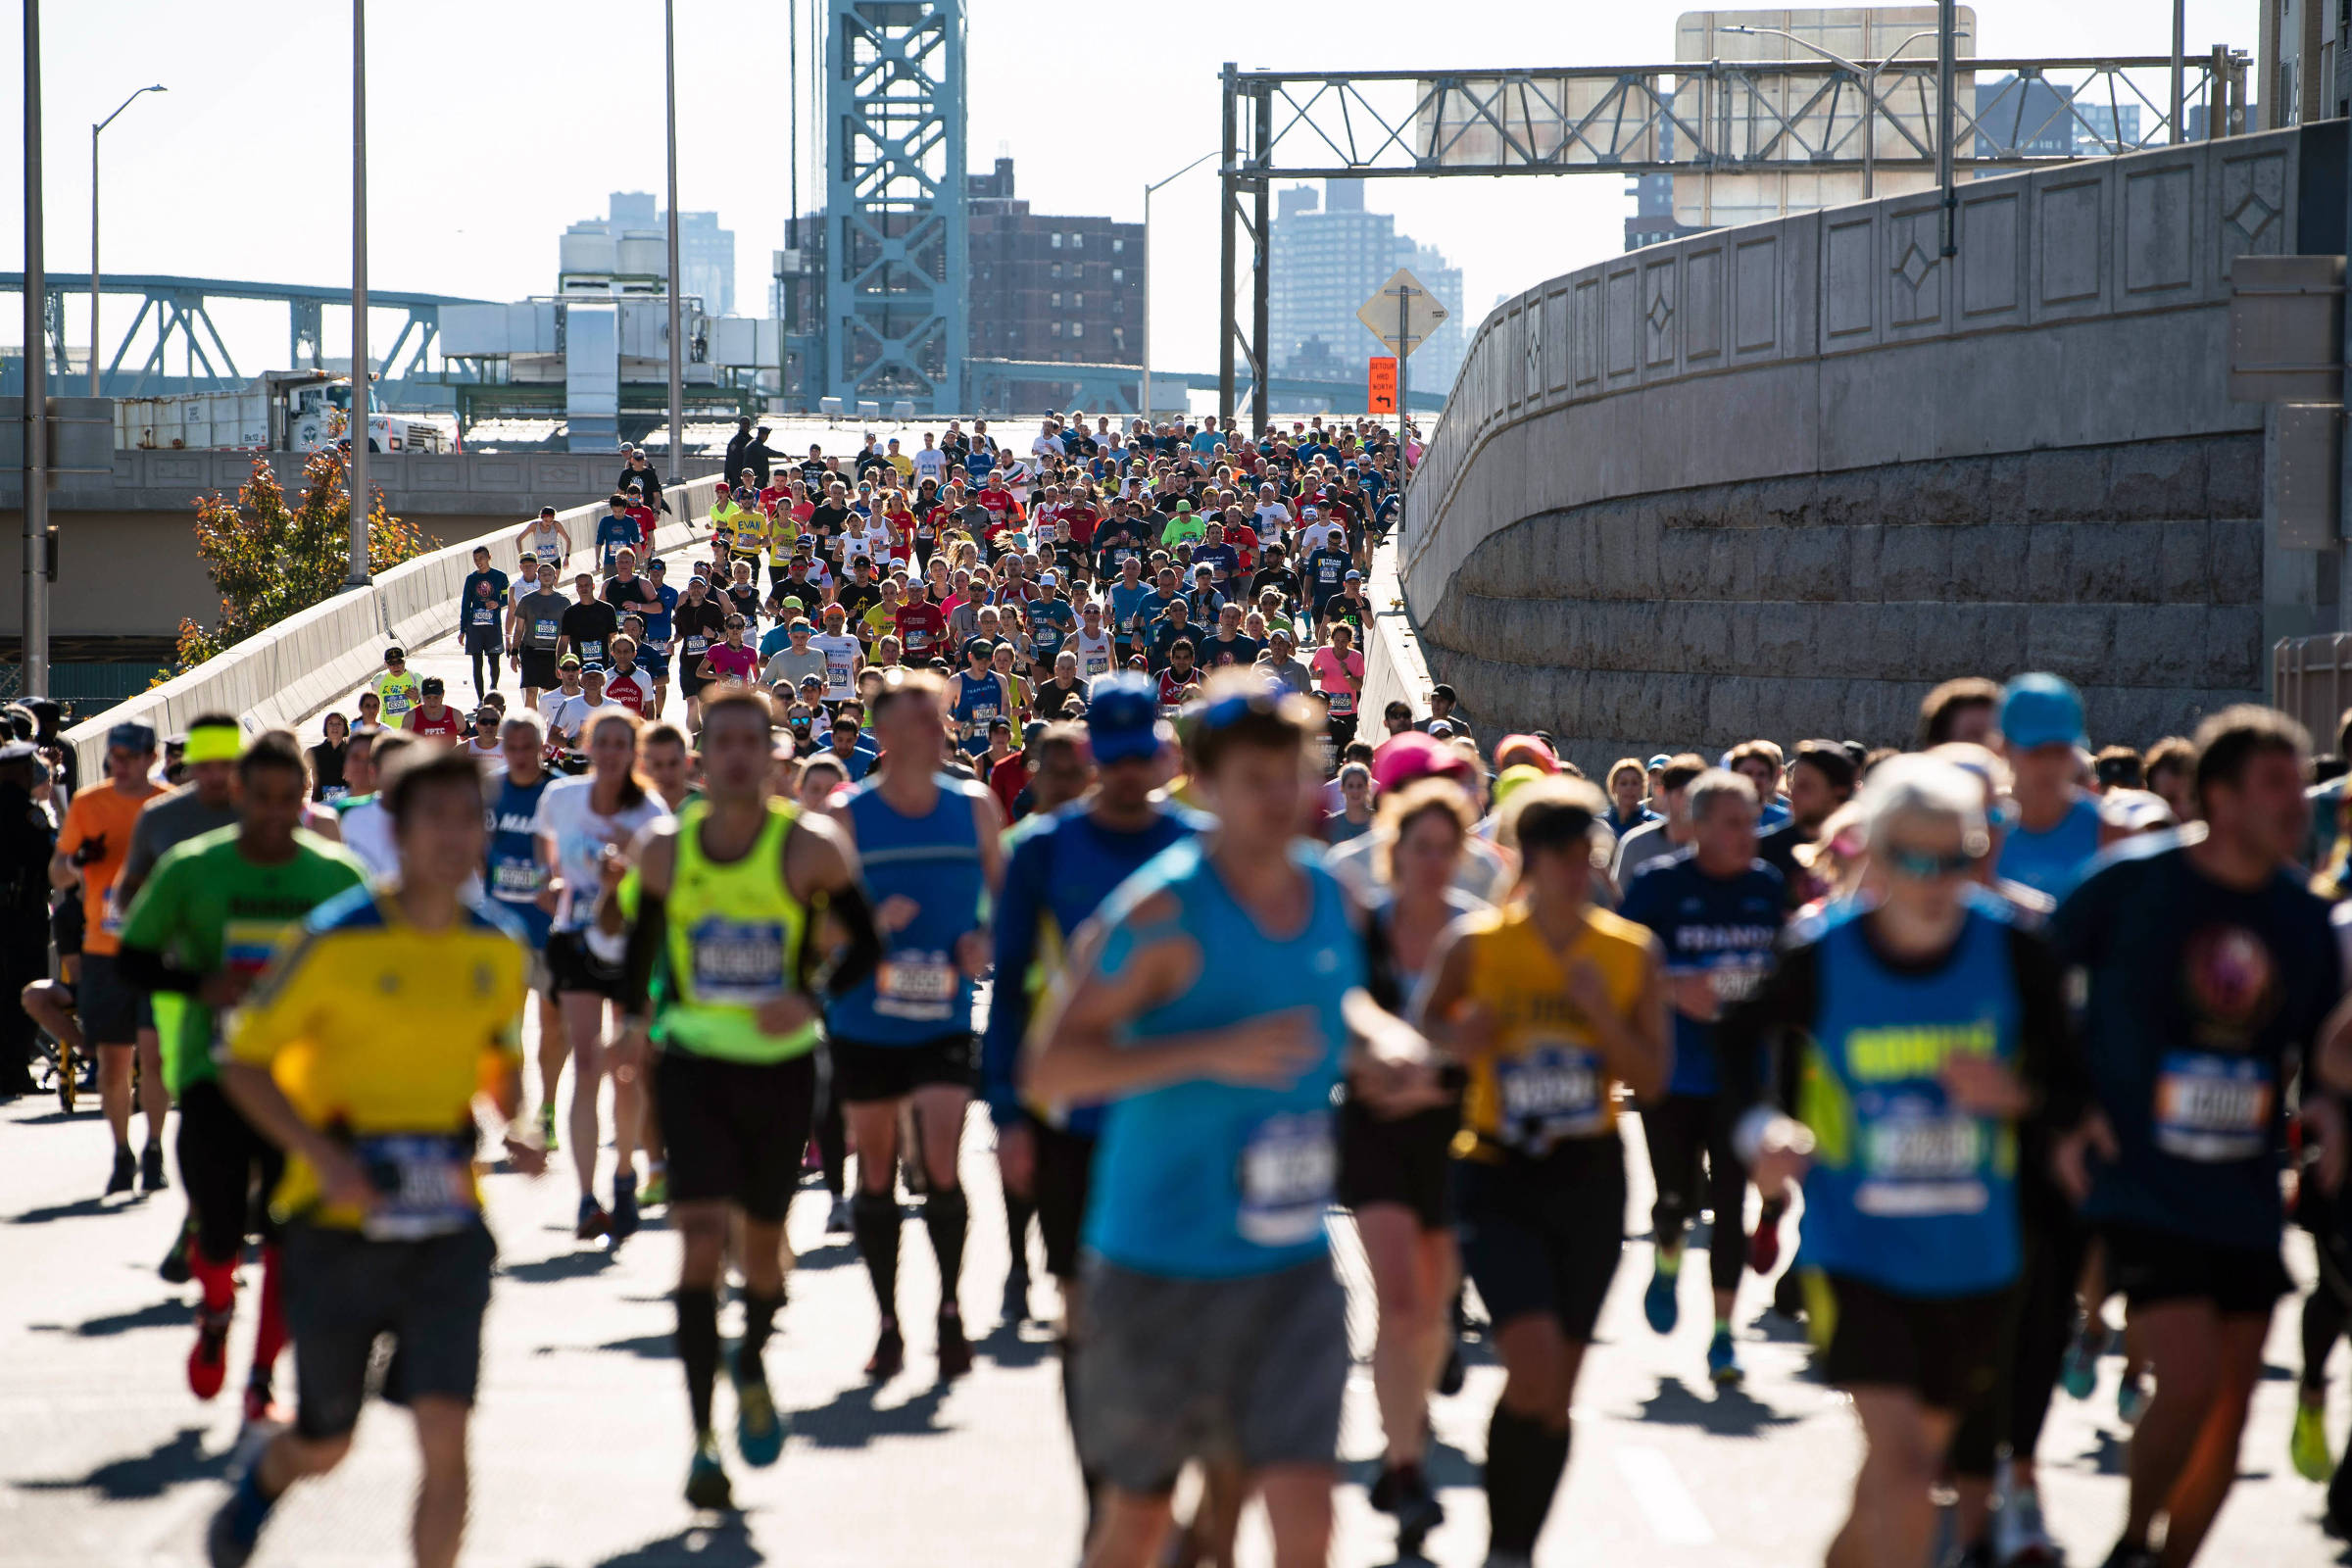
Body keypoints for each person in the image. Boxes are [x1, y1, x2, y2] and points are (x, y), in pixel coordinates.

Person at [1024, 671, 1432, 1568]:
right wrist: (1206, 1052)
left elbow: (1335, 1003)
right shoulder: (1161, 909)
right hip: (1158, 1265)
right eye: (1254, 778)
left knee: (1307, 1520)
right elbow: (1050, 1065)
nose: (1279, 795)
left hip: (1288, 1265)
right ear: (1202, 787)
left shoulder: (1326, 893)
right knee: (1137, 1523)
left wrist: (1383, 1044)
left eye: (1293, 772)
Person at [1723, 755, 2081, 1568]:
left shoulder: (2018, 950)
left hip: (1976, 1260)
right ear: (1875, 854)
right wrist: (1759, 1134)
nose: (1932, 878)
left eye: (1952, 858)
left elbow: (2079, 1081)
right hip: (1859, 1253)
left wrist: (2015, 1096)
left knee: (1899, 1475)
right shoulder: (1822, 952)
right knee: (1915, 1478)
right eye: (1912, 858)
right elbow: (1736, 1039)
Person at [205, 745, 539, 1568]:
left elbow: (500, 1064)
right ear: (397, 827)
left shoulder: (497, 948)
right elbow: (241, 1062)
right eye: (437, 818)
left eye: (471, 818)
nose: (456, 836)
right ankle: (265, 1479)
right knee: (328, 1442)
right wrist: (322, 1156)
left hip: (449, 1229)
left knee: (446, 1438)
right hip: (336, 1228)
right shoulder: (334, 941)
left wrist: (518, 1122)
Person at [2051, 707, 2343, 1568]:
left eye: (2300, 780)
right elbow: (2035, 988)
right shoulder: (2129, 885)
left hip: (2245, 1188)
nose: (2299, 802)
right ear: (2218, 797)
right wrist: (2068, 1107)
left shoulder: (2300, 916)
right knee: (2185, 1382)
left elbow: (2322, 1041)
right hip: (2139, 1177)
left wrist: (2324, 1103)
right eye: (2276, 784)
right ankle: (2135, 1543)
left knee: (2232, 1405)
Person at [608, 689, 883, 1507]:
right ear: (701, 756)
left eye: (748, 743)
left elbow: (866, 946)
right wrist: (632, 1021)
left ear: (770, 758)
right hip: (693, 1065)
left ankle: (752, 1357)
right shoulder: (665, 850)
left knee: (762, 1257)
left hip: (782, 1070)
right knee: (696, 1247)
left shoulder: (811, 849)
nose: (732, 756)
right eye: (718, 742)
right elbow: (637, 955)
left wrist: (813, 997)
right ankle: (701, 1441)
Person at [1416, 776, 1670, 1568]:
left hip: (1589, 1178)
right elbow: (1426, 1023)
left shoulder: (1627, 953)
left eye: (1586, 854)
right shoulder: (1480, 944)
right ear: (1531, 859)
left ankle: (1517, 1547)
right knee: (1527, 1364)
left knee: (1556, 1392)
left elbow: (1654, 1080)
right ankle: (1502, 1546)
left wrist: (1597, 1014)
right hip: (1498, 1173)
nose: (1577, 868)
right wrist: (1465, 1038)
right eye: (1562, 855)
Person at [117, 730, 368, 1426]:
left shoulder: (337, 878)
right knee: (220, 1226)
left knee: (291, 1235)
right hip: (215, 1073)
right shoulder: (193, 869)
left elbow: (373, 976)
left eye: (290, 800)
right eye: (261, 799)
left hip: (305, 1085)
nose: (275, 813)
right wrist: (201, 983)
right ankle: (218, 1307)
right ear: (238, 797)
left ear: (305, 799)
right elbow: (132, 960)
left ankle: (262, 1379)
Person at [824, 669, 1005, 1380]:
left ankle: (952, 1311)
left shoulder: (976, 806)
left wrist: (983, 941)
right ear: (886, 733)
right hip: (866, 1016)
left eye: (939, 720)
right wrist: (867, 927)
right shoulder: (847, 815)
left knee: (940, 1162)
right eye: (920, 722)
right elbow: (819, 921)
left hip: (943, 1015)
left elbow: (1001, 898)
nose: (937, 731)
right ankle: (889, 1321)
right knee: (874, 1170)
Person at [1339, 778, 1486, 1550]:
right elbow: (1339, 1021)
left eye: (1444, 848)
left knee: (1432, 1309)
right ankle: (1406, 1471)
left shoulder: (1478, 934)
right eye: (1417, 847)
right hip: (1374, 1134)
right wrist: (1371, 1068)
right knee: (1398, 1303)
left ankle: (1410, 1420)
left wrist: (1429, 1073)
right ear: (1394, 851)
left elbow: (1492, 1035)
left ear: (1462, 854)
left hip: (1457, 1136)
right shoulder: (1366, 930)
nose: (1431, 862)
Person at [1619, 769, 1786, 1388]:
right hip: (1672, 1071)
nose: (1750, 834)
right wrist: (1670, 987)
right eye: (1735, 824)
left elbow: (1783, 968)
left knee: (1731, 1203)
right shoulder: (1662, 885)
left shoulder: (1767, 887)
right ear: (1699, 827)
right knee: (1675, 1200)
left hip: (1742, 1076)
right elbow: (1623, 962)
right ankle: (1665, 1260)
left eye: (1755, 820)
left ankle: (1722, 1337)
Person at [536, 709, 668, 1243]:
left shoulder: (650, 812)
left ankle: (624, 1176)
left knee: (628, 1067)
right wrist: (551, 886)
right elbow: (548, 861)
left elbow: (661, 887)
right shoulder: (562, 799)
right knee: (586, 1061)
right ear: (588, 744)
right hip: (574, 938)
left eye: (622, 743)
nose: (611, 752)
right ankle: (588, 1197)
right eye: (603, 742)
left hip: (632, 945)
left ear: (633, 751)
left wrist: (628, 874)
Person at [53, 720, 168, 1196]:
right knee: (115, 1063)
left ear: (150, 757)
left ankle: (155, 1149)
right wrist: (77, 861)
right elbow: (57, 874)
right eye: (113, 755)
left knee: (155, 1059)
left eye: (128, 755)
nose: (118, 763)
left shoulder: (167, 808)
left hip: (158, 951)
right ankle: (122, 1152)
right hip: (104, 951)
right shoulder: (87, 804)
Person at [511, 563, 570, 712]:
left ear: (554, 576)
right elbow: (519, 629)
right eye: (543, 574)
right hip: (531, 651)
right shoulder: (527, 600)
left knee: (550, 694)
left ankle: (550, 728)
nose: (546, 576)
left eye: (549, 574)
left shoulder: (563, 601)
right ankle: (531, 729)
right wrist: (514, 653)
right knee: (531, 693)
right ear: (538, 577)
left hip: (553, 653)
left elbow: (568, 632)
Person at [370, 648, 421, 728]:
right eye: (391, 663)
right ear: (386, 664)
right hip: (388, 730)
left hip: (411, 728)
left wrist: (418, 700)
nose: (396, 666)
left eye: (399, 662)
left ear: (404, 661)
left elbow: (428, 705)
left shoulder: (416, 678)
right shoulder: (377, 680)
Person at [517, 504, 570, 570]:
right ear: (541, 518)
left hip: (555, 559)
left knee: (554, 580)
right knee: (540, 580)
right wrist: (522, 556)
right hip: (539, 561)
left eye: (551, 521)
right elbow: (518, 539)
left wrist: (567, 557)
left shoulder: (556, 525)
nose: (548, 523)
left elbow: (568, 540)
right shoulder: (534, 526)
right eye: (546, 521)